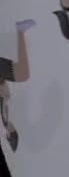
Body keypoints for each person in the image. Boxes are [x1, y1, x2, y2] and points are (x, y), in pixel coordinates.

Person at [0, 20, 36, 153]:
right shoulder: (4, 119)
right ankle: (20, 31)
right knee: (23, 73)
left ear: (9, 135)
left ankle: (20, 31)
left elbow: (4, 93)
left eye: (13, 131)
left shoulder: (3, 123)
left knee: (23, 73)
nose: (13, 127)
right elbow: (4, 92)